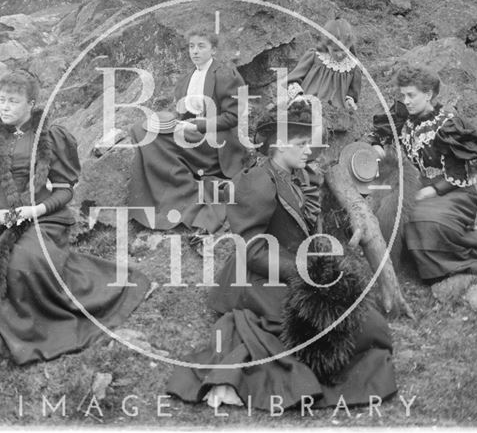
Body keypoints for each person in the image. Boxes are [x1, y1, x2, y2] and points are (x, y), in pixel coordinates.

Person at [166, 102, 397, 412]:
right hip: (260, 276)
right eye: (300, 144)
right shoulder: (257, 182)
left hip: (298, 268)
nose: (307, 150)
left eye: (308, 143)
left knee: (373, 327)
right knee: (354, 330)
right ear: (276, 145)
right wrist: (304, 272)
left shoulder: (299, 174)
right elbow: (253, 249)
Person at [0, 71, 150, 365]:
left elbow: (63, 190)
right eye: (2, 101)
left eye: (13, 102)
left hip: (40, 215)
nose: (4, 107)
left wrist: (35, 210)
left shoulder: (49, 138)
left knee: (25, 263)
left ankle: (38, 331)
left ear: (31, 104)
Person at [368, 64, 477, 281]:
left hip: (455, 192)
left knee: (422, 220)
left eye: (411, 95)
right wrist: (377, 146)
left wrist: (428, 192)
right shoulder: (403, 119)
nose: (405, 101)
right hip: (421, 188)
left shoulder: (447, 125)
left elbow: (459, 176)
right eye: (403, 95)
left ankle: (444, 264)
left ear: (428, 94)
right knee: (395, 212)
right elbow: (379, 135)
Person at [128, 27, 247, 239]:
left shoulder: (225, 75)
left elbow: (233, 117)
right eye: (191, 47)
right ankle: (161, 192)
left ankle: (179, 193)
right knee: (142, 129)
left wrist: (197, 126)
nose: (195, 51)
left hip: (215, 141)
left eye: (201, 46)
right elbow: (182, 113)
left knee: (154, 136)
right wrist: (172, 122)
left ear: (213, 49)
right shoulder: (186, 79)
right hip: (191, 134)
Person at [287, 17, 361, 133]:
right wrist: (299, 97)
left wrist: (349, 100)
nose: (340, 54)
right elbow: (292, 79)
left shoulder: (352, 67)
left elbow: (352, 92)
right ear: (327, 45)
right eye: (335, 50)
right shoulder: (316, 56)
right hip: (308, 106)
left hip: (335, 114)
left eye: (344, 50)